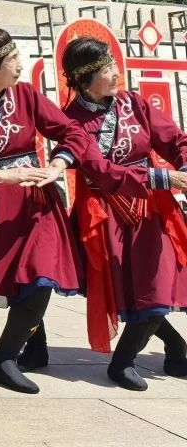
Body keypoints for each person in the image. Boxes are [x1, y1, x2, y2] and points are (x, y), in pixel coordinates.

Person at [0, 26, 98, 394]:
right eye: (12, 60)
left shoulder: (26, 95)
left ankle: (3, 359)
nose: (20, 65)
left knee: (41, 274)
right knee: (16, 281)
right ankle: (21, 347)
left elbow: (73, 132)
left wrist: (58, 164)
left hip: (35, 203)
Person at [61, 37, 187, 390]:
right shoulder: (71, 121)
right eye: (106, 69)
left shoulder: (134, 104)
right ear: (84, 78)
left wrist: (184, 164)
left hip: (151, 209)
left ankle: (170, 349)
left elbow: (174, 139)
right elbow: (99, 170)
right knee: (138, 291)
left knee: (157, 284)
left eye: (113, 64)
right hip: (108, 213)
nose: (116, 73)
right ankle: (127, 362)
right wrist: (163, 177)